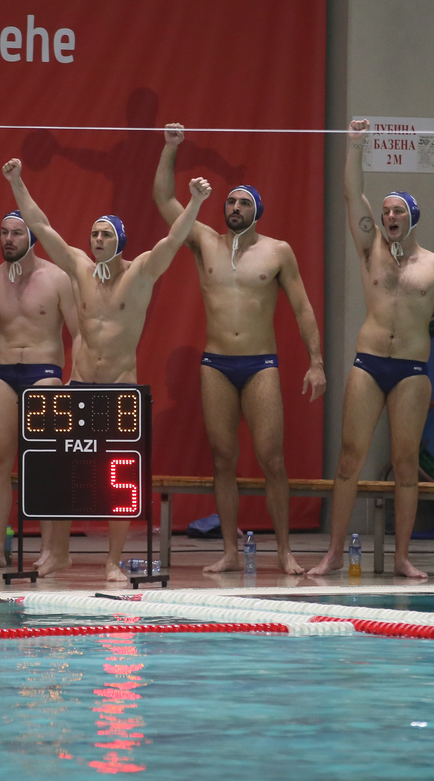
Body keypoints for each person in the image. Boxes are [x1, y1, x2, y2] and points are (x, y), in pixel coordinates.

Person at [4, 157, 211, 580]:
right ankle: (58, 553)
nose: (96, 239)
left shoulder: (139, 274)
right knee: (62, 474)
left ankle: (113, 561)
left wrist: (194, 202)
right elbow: (40, 225)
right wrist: (16, 181)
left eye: (104, 234)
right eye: (94, 233)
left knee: (121, 484)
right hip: (79, 384)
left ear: (119, 240)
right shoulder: (78, 267)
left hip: (119, 389)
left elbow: (173, 240)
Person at [153, 123, 326, 574]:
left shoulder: (277, 252)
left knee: (272, 457)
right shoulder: (204, 240)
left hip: (260, 364)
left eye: (242, 203)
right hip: (215, 365)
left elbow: (304, 309)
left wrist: (316, 363)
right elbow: (162, 200)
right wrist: (171, 149)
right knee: (223, 458)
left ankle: (285, 550)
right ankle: (230, 549)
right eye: (229, 202)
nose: (233, 207)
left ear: (257, 211)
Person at [309, 119, 434, 579]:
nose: (389, 217)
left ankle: (401, 556)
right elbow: (350, 193)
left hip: (413, 371)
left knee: (405, 463)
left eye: (398, 211)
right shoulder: (370, 249)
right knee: (348, 459)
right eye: (385, 212)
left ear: (412, 217)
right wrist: (354, 146)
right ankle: (334, 552)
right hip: (369, 362)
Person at [0, 212, 79, 571]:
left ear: (32, 238)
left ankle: (49, 550)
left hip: (45, 371)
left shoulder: (57, 278)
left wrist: (75, 377)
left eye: (16, 233)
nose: (8, 239)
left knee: (44, 465)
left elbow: (80, 332)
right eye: (4, 233)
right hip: (4, 372)